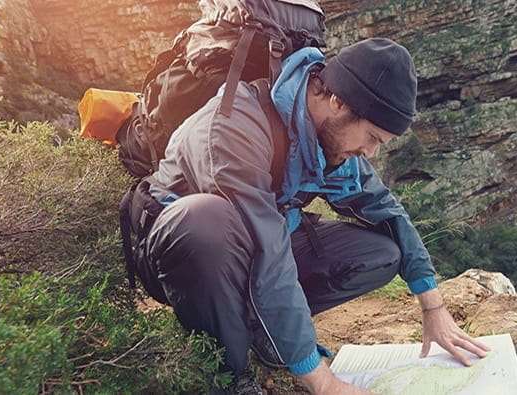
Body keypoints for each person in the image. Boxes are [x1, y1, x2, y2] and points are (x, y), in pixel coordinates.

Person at [132, 38, 490, 394]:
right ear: (338, 101)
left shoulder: (327, 139)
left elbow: (387, 210)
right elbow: (266, 250)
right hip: (184, 254)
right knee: (204, 221)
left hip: (261, 238)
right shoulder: (234, 128)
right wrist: (323, 383)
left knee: (383, 254)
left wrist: (433, 305)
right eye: (372, 138)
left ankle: (262, 328)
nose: (369, 152)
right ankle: (230, 374)